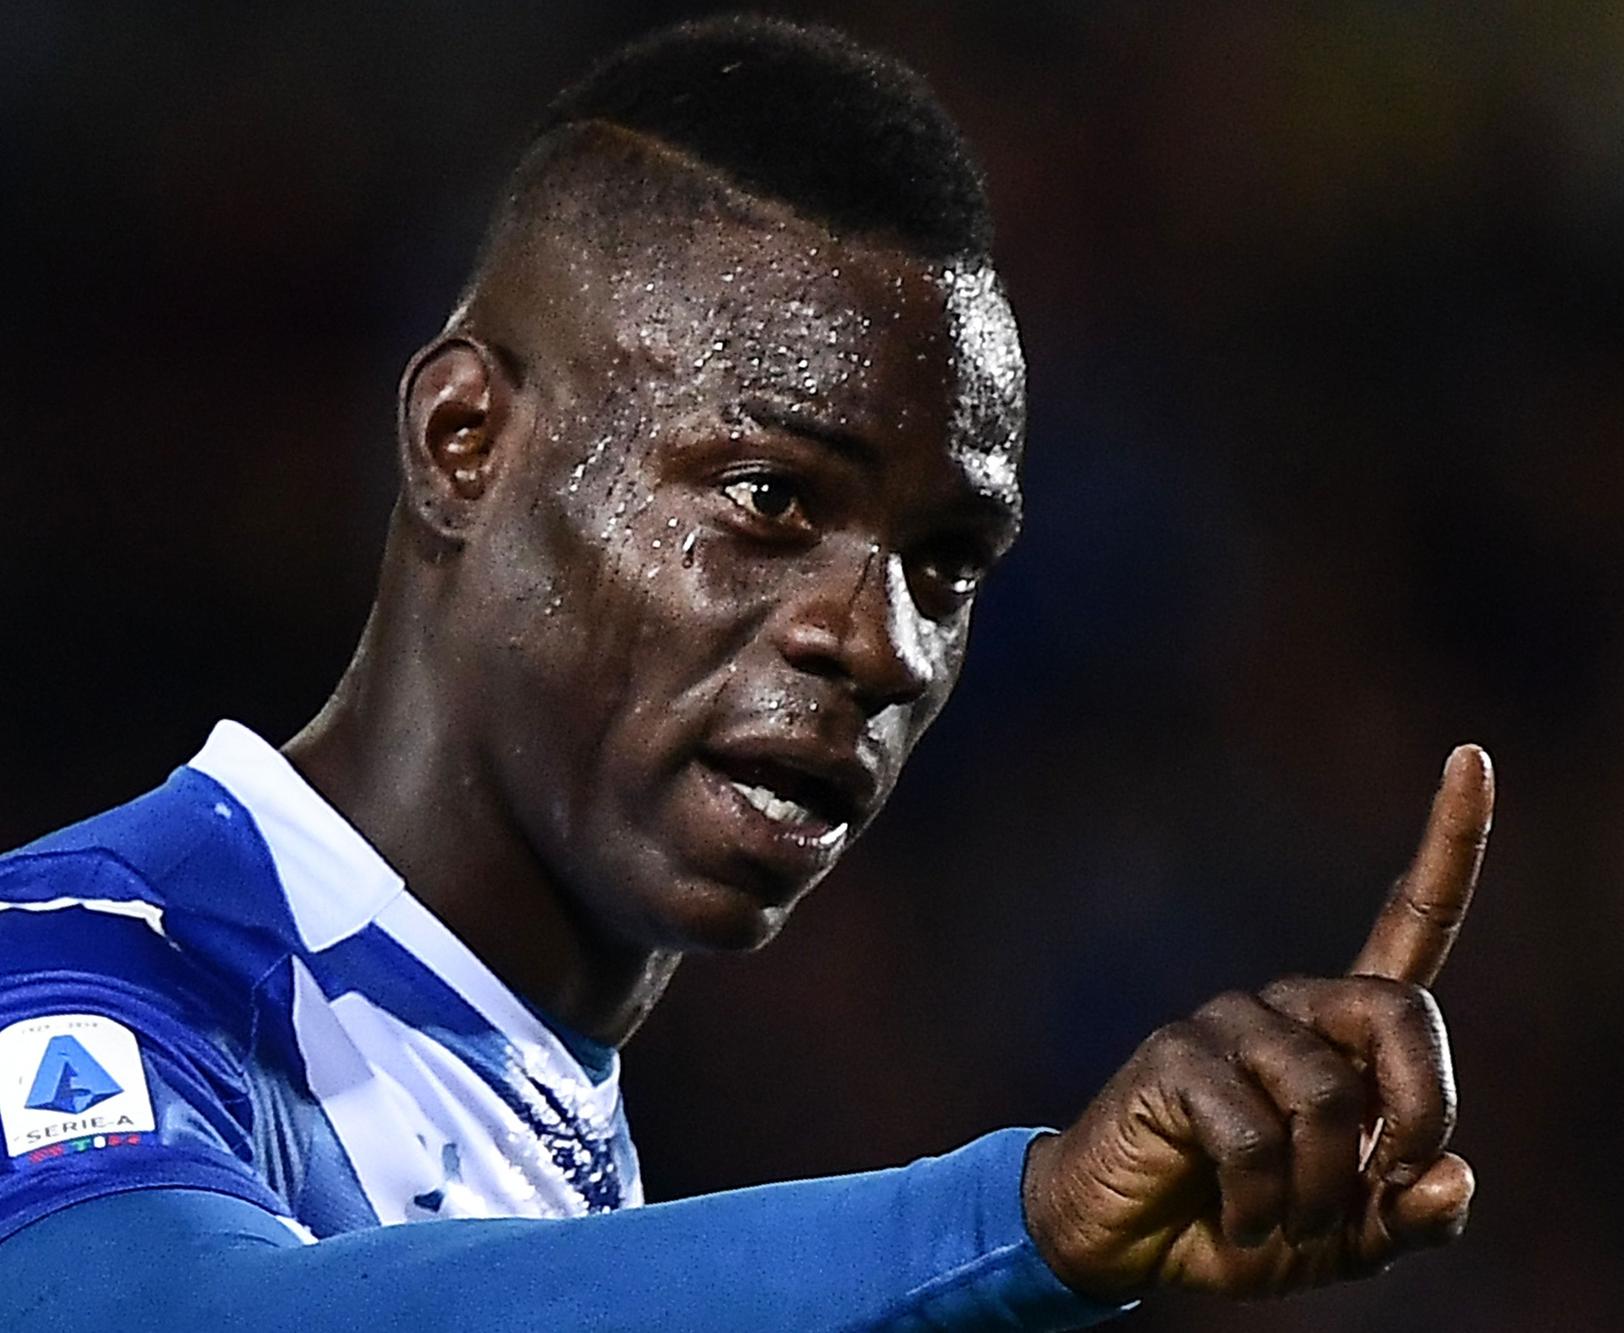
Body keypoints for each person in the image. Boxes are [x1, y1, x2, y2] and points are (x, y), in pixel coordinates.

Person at [0, 16, 1490, 1330]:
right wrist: (1014, 1224)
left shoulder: (571, 1180)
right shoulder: (77, 965)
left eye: (946, 564)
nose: (880, 641)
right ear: (467, 442)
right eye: (772, 498)